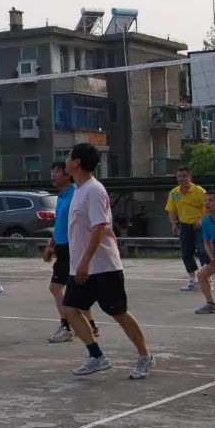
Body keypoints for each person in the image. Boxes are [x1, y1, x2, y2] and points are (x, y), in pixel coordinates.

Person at [63, 143, 155, 379]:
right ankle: (96, 356)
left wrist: (85, 262)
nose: (65, 161)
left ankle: (145, 356)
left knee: (118, 312)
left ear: (77, 162)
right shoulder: (79, 190)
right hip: (81, 265)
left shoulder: (94, 190)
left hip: (103, 266)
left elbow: (99, 229)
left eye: (69, 156)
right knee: (70, 309)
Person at [42, 161, 97, 342]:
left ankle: (66, 327)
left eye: (57, 171)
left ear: (68, 174)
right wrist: (51, 244)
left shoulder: (76, 194)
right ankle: (91, 325)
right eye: (52, 171)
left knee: (56, 287)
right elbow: (59, 223)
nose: (53, 175)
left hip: (71, 247)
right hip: (62, 247)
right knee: (77, 288)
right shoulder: (61, 196)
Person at [165, 166, 208, 291]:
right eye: (179, 176)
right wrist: (174, 224)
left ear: (190, 177)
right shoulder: (174, 193)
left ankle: (207, 279)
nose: (181, 178)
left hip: (200, 225)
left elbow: (207, 207)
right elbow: (171, 210)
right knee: (186, 253)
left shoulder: (199, 191)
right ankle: (193, 281)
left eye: (184, 176)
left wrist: (201, 220)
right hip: (184, 225)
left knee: (203, 251)